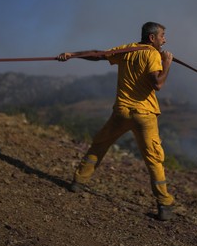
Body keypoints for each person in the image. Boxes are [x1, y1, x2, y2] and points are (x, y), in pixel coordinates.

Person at [57, 22, 175, 221]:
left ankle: (78, 182)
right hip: (144, 115)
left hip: (121, 112)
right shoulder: (153, 54)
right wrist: (167, 64)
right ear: (152, 38)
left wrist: (72, 54)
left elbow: (98, 54)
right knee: (154, 159)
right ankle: (164, 204)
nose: (165, 40)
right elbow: (158, 84)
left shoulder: (127, 50)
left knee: (100, 144)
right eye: (163, 36)